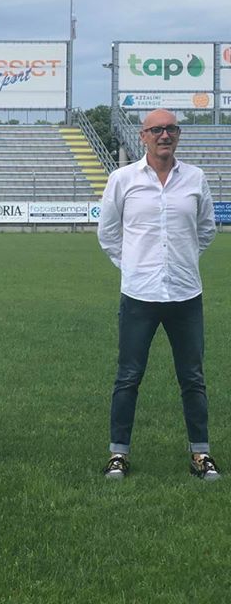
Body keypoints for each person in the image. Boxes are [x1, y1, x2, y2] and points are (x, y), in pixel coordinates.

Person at [97, 109, 219, 480]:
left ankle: (200, 454)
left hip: (185, 294)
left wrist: (180, 262)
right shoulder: (122, 179)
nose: (164, 135)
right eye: (156, 130)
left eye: (170, 129)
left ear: (178, 135)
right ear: (143, 136)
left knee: (193, 377)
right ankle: (119, 454)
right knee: (128, 377)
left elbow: (206, 230)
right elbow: (108, 234)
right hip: (139, 295)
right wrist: (135, 266)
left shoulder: (195, 178)